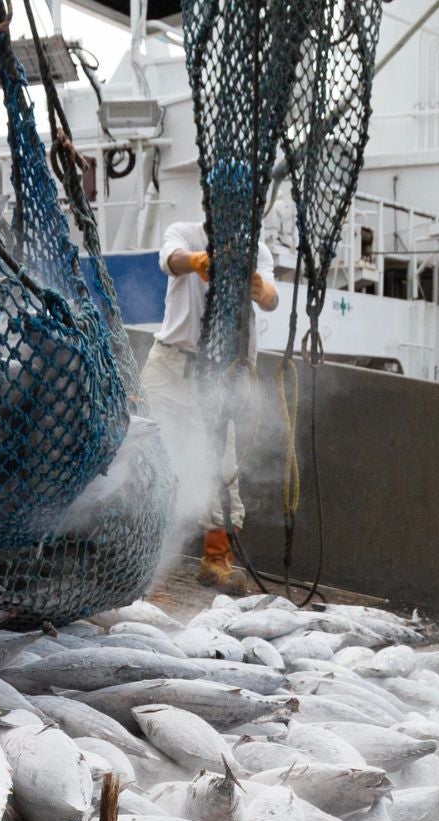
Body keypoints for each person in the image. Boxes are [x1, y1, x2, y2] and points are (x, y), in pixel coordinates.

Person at [141, 218, 279, 591]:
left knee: (221, 464)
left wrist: (260, 290)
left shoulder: (258, 251)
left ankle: (217, 559)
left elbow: (272, 299)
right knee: (149, 458)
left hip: (217, 378)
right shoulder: (185, 233)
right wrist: (198, 262)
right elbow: (170, 259)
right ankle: (140, 560)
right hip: (169, 368)